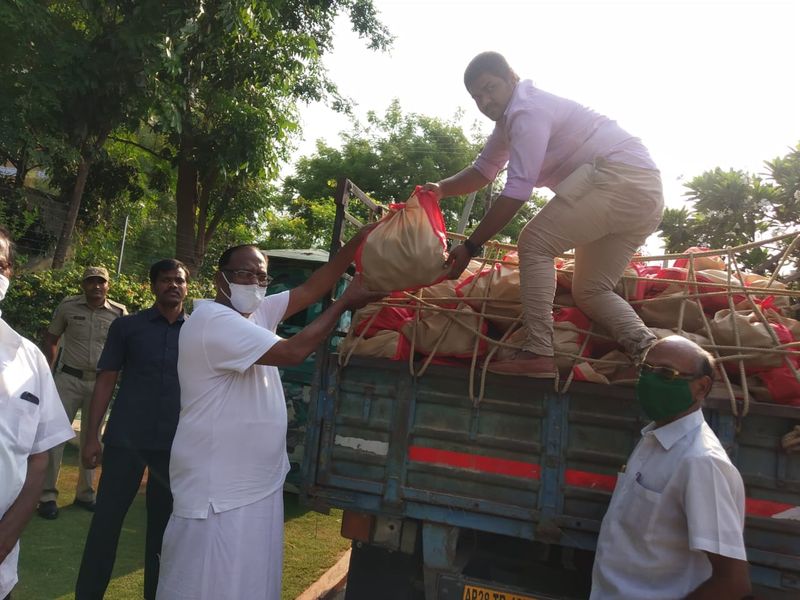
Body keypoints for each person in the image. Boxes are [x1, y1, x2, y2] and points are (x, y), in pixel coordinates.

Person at [156, 231, 383, 600]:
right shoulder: (214, 321)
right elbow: (294, 352)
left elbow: (311, 289)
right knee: (207, 581)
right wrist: (343, 304)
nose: (256, 283)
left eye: (262, 276)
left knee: (248, 581)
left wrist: (362, 238)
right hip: (218, 491)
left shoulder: (254, 314)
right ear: (221, 278)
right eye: (245, 274)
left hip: (254, 483)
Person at [424, 51, 664, 378]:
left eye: (490, 88)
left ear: (512, 78)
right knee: (590, 291)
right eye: (477, 97)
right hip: (642, 193)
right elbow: (483, 170)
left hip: (621, 180)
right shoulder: (510, 121)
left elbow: (518, 190)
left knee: (534, 244)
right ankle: (651, 353)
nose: (485, 101)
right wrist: (439, 190)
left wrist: (470, 247)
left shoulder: (526, 111)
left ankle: (538, 351)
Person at [590, 335, 751, 599]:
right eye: (645, 370)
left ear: (702, 387)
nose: (650, 381)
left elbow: (733, 583)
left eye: (667, 374)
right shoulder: (653, 437)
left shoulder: (701, 462)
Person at [75, 259, 189, 600]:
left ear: (187, 286)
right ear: (153, 285)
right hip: (127, 440)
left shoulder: (198, 331)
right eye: (166, 280)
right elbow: (107, 379)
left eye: (179, 280)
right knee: (106, 523)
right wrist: (92, 435)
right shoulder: (128, 327)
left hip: (174, 446)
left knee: (162, 530)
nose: (173, 285)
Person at [0, 226, 74, 600]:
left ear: (10, 272)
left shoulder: (28, 358)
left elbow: (38, 458)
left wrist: (7, 534)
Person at [38, 266, 128, 519]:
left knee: (93, 437)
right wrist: (48, 373)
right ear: (83, 284)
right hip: (68, 378)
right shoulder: (68, 307)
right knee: (55, 437)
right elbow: (52, 339)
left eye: (101, 282)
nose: (96, 286)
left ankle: (86, 494)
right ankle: (47, 496)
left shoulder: (118, 313)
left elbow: (124, 348)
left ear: (108, 285)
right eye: (91, 282)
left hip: (100, 383)